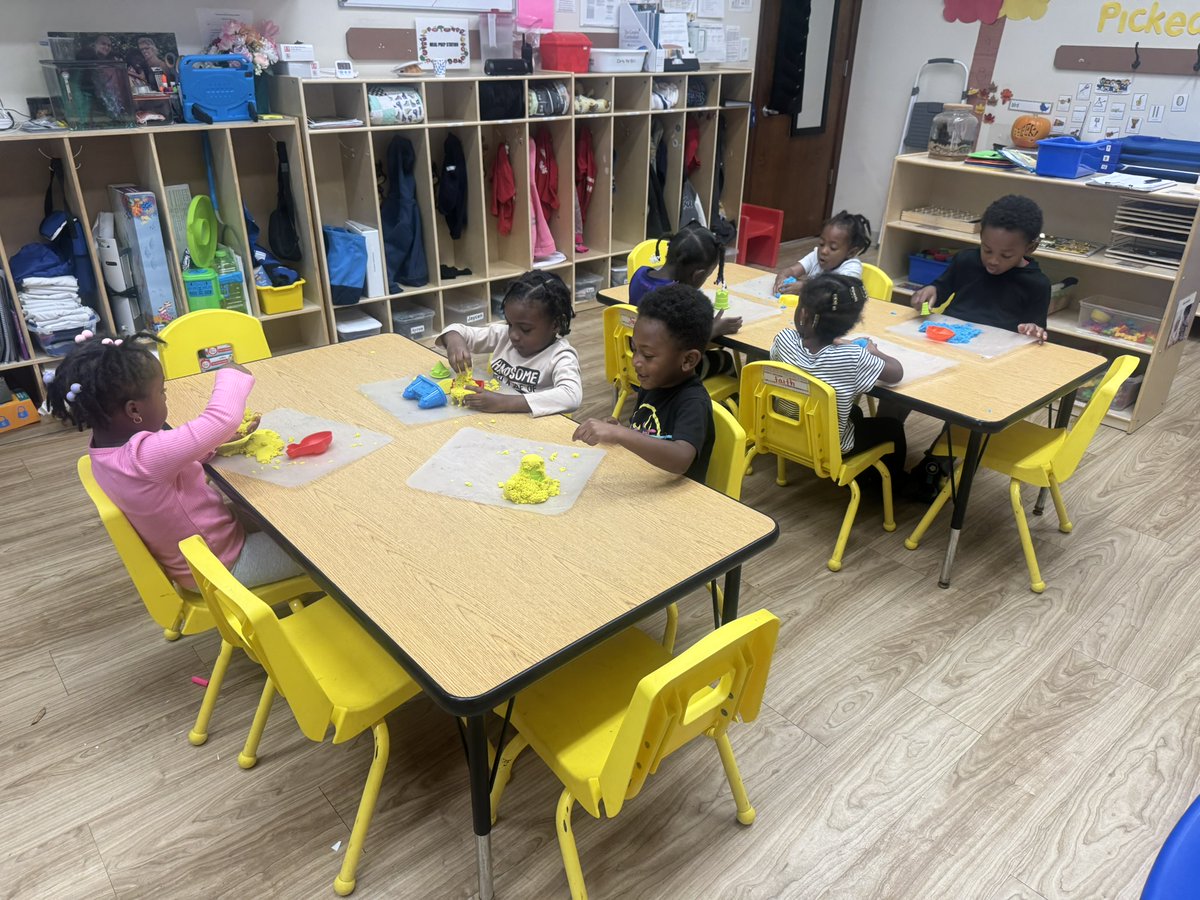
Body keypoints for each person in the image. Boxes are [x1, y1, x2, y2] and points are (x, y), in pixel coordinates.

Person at [47, 330, 304, 590]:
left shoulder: (105, 450)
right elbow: (221, 419)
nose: (164, 396)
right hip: (224, 566)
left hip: (198, 560)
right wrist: (232, 371)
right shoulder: (144, 457)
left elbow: (171, 463)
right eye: (162, 392)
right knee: (321, 549)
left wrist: (217, 443)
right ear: (134, 410)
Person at [770, 273, 907, 485]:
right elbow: (896, 373)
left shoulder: (783, 340)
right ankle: (885, 488)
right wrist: (874, 351)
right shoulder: (853, 357)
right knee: (893, 428)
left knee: (855, 412)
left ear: (803, 314)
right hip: (830, 446)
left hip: (786, 430)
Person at [573, 284, 715, 481]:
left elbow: (681, 459)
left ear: (688, 360)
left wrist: (622, 434)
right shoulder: (652, 383)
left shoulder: (693, 402)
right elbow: (647, 432)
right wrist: (619, 430)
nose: (636, 361)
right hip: (645, 480)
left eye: (648, 355)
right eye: (634, 348)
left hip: (677, 500)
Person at [436, 270, 582, 416]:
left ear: (555, 325)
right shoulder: (503, 335)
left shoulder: (561, 356)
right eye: (510, 324)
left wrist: (503, 402)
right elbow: (456, 330)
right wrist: (454, 341)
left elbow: (571, 396)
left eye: (525, 329)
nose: (513, 335)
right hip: (494, 418)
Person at [908, 194, 1050, 340]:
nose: (993, 260)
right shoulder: (966, 260)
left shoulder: (1037, 284)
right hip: (951, 336)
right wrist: (927, 293)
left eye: (1006, 256)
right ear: (981, 236)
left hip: (995, 347)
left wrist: (1033, 330)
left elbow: (1036, 331)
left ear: (1030, 248)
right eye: (987, 250)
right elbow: (938, 292)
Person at [627, 223, 740, 378]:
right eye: (707, 275)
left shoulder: (640, 274)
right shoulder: (675, 300)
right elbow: (684, 347)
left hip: (636, 357)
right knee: (724, 359)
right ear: (698, 275)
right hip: (665, 373)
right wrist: (716, 329)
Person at [773, 210, 872, 294]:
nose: (823, 251)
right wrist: (782, 276)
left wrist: (805, 287)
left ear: (851, 252)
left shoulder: (851, 266)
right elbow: (793, 270)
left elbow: (839, 289)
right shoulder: (816, 256)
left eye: (833, 248)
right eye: (821, 244)